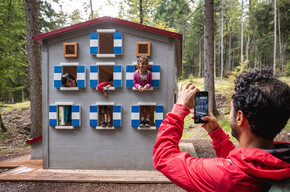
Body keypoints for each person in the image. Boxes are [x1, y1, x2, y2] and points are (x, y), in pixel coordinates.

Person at [153, 69, 290, 191]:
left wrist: (179, 108)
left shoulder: (224, 176)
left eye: (231, 111)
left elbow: (164, 157)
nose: (230, 115)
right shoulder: (283, 160)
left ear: (239, 117)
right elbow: (247, 162)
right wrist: (217, 135)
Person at [133, 56, 152, 127]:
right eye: (142, 64)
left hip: (148, 93)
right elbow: (135, 83)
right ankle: (142, 119)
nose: (144, 65)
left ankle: (147, 120)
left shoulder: (149, 73)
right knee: (141, 107)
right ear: (138, 64)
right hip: (140, 93)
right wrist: (139, 87)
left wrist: (146, 86)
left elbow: (150, 82)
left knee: (147, 107)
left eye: (145, 64)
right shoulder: (135, 73)